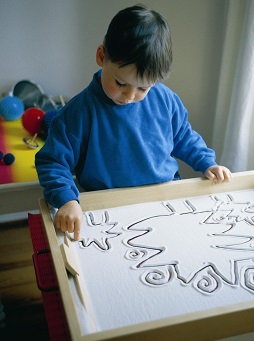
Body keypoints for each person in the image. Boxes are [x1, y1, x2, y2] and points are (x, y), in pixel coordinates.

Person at [35, 5, 231, 241]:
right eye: (120, 83)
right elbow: (53, 161)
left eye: (143, 88)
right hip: (107, 209)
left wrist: (207, 162)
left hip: (164, 199)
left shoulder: (166, 100)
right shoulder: (77, 114)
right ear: (101, 56)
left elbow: (183, 136)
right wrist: (67, 199)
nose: (129, 96)